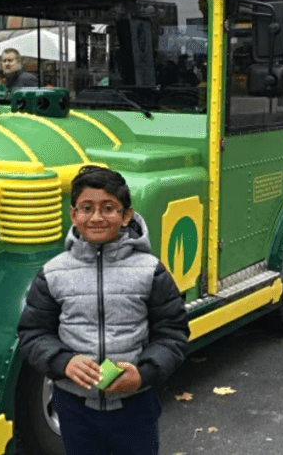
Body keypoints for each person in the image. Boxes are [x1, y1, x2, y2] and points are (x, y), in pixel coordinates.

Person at [17, 165, 190, 455]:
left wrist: (143, 373)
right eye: (87, 207)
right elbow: (33, 333)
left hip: (135, 407)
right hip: (74, 408)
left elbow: (173, 333)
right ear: (73, 215)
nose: (96, 217)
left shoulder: (150, 271)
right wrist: (64, 362)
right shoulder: (53, 273)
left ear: (126, 215)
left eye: (108, 207)